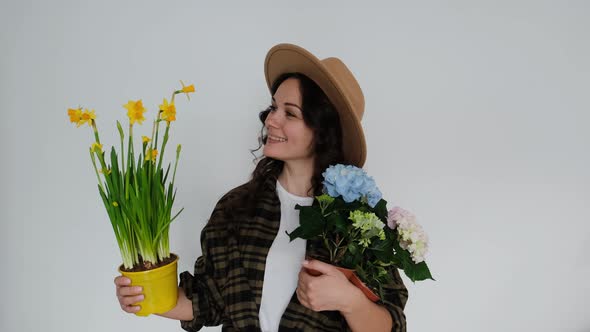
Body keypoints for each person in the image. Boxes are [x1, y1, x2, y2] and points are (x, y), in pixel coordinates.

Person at [114, 43, 408, 331]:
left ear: (323, 131)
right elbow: (209, 301)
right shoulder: (236, 208)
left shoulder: (359, 222)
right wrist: (143, 295)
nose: (271, 119)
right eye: (273, 107)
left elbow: (391, 324)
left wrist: (350, 301)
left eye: (289, 113)